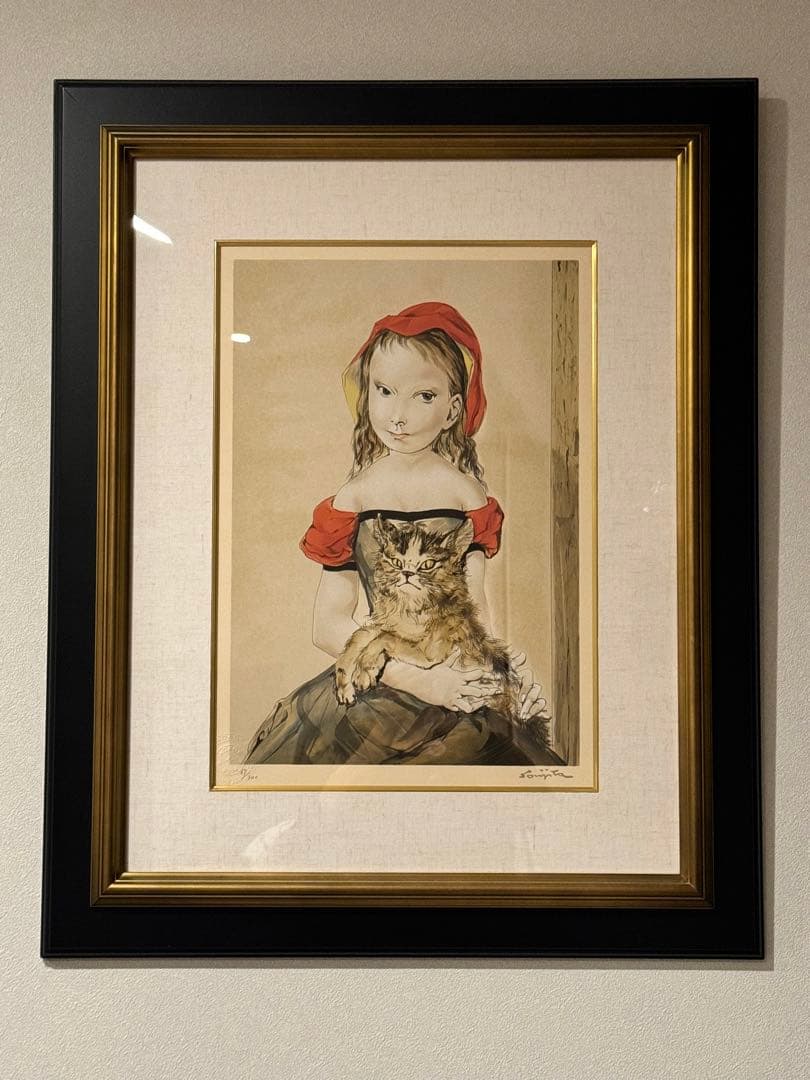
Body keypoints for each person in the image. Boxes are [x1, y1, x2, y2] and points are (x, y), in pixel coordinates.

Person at [244, 301, 563, 766]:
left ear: (454, 409)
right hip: (381, 682)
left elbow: (476, 610)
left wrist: (496, 677)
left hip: (454, 676)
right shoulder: (352, 499)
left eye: (424, 396)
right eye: (385, 391)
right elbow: (327, 626)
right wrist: (419, 681)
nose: (398, 415)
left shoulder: (467, 496)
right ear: (366, 393)